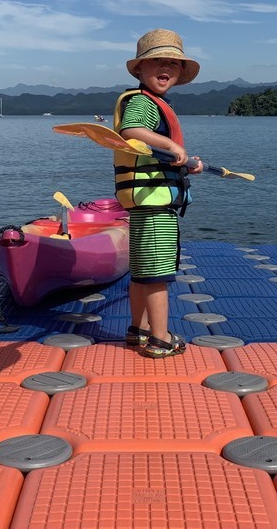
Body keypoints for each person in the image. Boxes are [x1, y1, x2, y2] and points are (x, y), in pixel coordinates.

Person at [115, 29, 204, 359]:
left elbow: (151, 151)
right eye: (156, 62)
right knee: (157, 277)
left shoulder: (154, 103)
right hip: (154, 205)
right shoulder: (142, 102)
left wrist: (185, 161)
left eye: (173, 63)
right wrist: (170, 145)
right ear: (140, 68)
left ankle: (138, 331)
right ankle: (160, 338)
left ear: (180, 73)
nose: (165, 68)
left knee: (141, 275)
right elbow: (130, 131)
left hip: (144, 204)